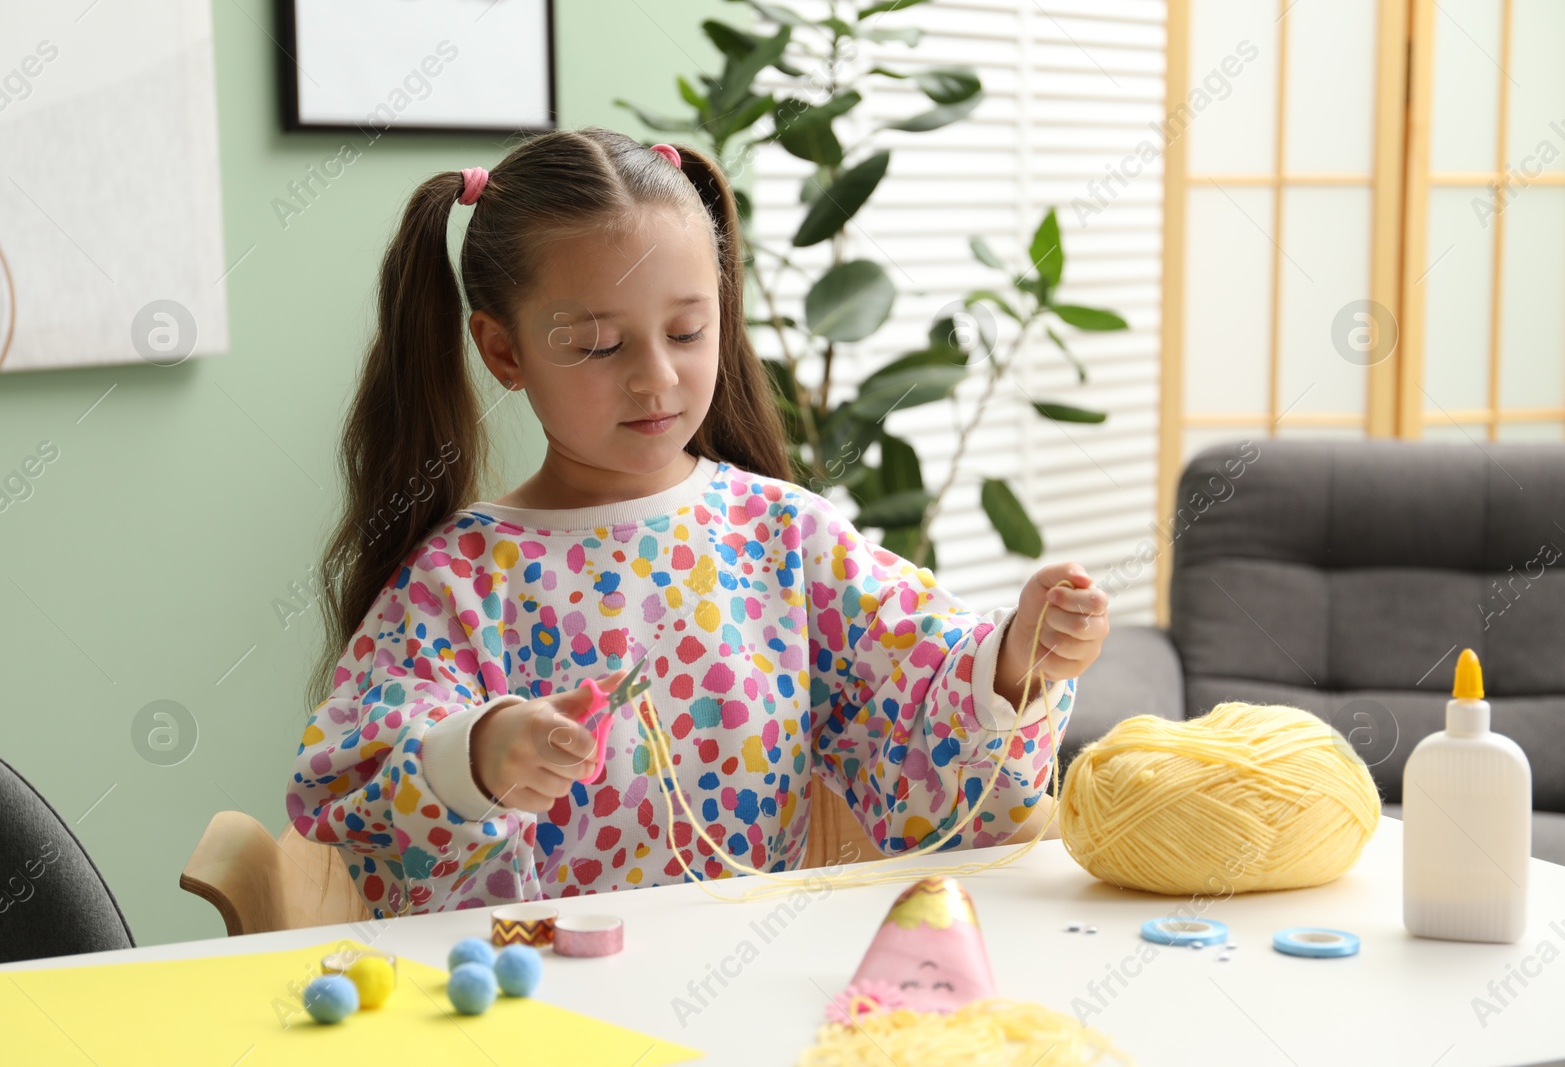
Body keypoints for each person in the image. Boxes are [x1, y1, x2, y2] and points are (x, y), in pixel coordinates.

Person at [287, 127, 1110, 917]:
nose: (655, 378)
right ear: (505, 351)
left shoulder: (784, 538)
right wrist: (476, 755)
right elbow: (358, 782)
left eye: (686, 332)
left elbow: (918, 696)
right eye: (599, 345)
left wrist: (1015, 658)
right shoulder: (457, 578)